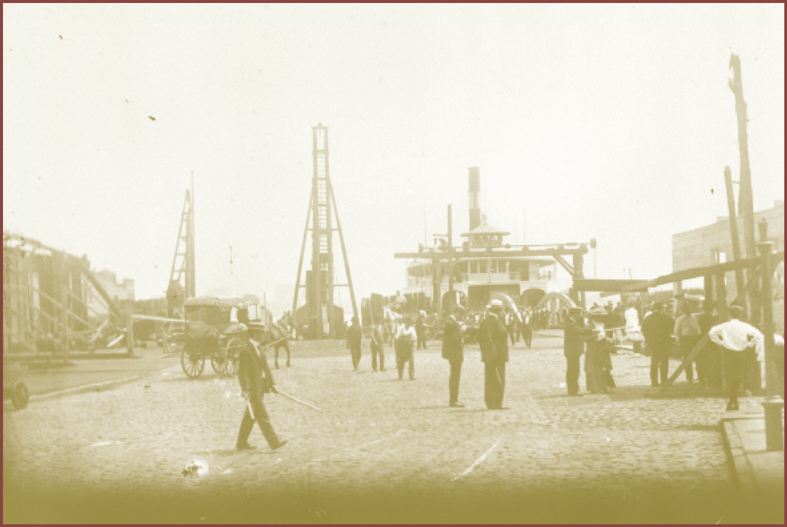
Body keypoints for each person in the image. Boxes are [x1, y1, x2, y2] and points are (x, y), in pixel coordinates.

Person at [236, 333, 287, 451]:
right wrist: (245, 389)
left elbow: (265, 368)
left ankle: (241, 443)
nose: (264, 335)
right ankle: (274, 442)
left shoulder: (259, 348)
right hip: (253, 389)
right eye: (262, 333)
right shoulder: (245, 351)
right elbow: (243, 372)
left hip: (261, 387)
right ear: (256, 333)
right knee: (262, 415)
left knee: (250, 417)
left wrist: (272, 384)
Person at [709, 305, 764, 411]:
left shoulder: (724, 326)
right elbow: (759, 335)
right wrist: (749, 344)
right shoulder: (744, 326)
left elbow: (712, 332)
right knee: (739, 374)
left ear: (730, 314)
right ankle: (733, 398)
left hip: (727, 352)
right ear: (740, 315)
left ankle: (732, 398)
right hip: (741, 352)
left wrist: (720, 343)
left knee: (729, 374)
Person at [478, 299, 509, 409]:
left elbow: (481, 340)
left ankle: (489, 402)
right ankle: (498, 402)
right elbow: (503, 334)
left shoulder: (484, 322)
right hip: (498, 357)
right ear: (499, 311)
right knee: (500, 379)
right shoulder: (498, 323)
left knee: (489, 379)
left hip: (488, 357)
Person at [641, 303, 674, 387]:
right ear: (661, 309)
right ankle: (664, 380)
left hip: (653, 343)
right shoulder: (665, 317)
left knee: (654, 362)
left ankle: (654, 382)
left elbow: (643, 330)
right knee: (664, 362)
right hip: (664, 342)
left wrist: (648, 339)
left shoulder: (648, 318)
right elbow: (673, 323)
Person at [585, 306, 615, 394]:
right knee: (594, 368)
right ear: (594, 317)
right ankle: (594, 388)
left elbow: (604, 336)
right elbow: (584, 338)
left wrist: (609, 339)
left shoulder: (602, 325)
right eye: (599, 316)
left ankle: (604, 387)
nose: (600, 318)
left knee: (604, 368)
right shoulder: (589, 327)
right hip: (594, 349)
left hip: (603, 349)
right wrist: (593, 336)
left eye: (601, 316)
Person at [564, 306, 593, 396]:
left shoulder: (572, 323)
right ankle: (573, 390)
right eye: (580, 314)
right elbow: (581, 331)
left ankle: (573, 389)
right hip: (572, 351)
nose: (581, 317)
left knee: (573, 370)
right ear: (575, 314)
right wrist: (593, 330)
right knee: (574, 371)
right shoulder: (571, 324)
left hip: (573, 351)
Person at [696, 300, 721, 389]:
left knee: (703, 360)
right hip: (712, 342)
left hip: (702, 340)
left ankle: (704, 378)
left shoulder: (699, 318)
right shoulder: (713, 318)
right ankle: (713, 378)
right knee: (713, 360)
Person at [674, 304, 702, 383]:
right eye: (686, 309)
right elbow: (677, 331)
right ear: (682, 311)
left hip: (695, 338)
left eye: (689, 308)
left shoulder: (695, 317)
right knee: (687, 359)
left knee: (698, 358)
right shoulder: (679, 319)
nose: (689, 310)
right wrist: (679, 341)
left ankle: (700, 376)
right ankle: (690, 377)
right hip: (686, 340)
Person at [442, 314, 464, 407]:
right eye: (461, 315)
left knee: (455, 375)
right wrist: (462, 331)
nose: (462, 317)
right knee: (455, 376)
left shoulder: (450, 322)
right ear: (457, 312)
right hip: (454, 353)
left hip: (454, 353)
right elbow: (455, 338)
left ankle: (454, 399)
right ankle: (453, 400)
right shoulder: (451, 323)